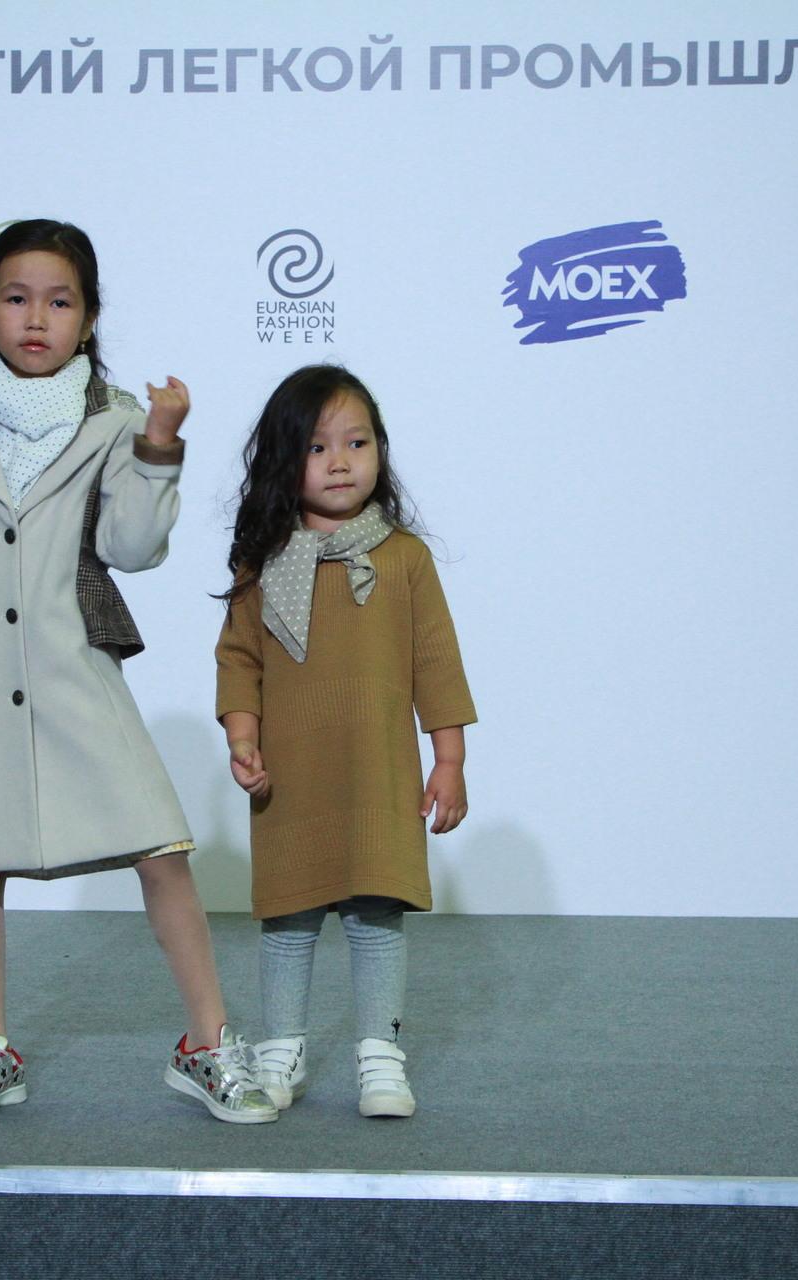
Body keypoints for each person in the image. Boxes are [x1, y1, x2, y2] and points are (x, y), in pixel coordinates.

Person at [0, 219, 275, 1123]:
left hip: (72, 666)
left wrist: (160, 444)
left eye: (59, 302)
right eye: (16, 298)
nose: (36, 318)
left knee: (160, 846)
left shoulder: (117, 420)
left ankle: (208, 1043)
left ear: (89, 318)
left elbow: (133, 548)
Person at [214, 364, 476, 1118]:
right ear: (282, 459)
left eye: (357, 443)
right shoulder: (265, 561)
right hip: (291, 776)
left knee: (377, 917)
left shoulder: (404, 557)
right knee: (288, 921)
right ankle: (281, 1047)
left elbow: (437, 661)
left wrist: (449, 759)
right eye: (317, 446)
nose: (339, 461)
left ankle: (380, 1054)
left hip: (379, 774)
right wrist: (242, 735)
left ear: (380, 451)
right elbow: (239, 657)